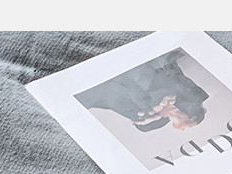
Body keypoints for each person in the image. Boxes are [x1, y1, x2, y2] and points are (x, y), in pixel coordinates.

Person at [76, 48, 209, 131]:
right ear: (191, 116)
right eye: (190, 125)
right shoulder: (177, 92)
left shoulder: (158, 121)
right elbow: (170, 68)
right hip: (132, 62)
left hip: (96, 87)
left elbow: (142, 126)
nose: (183, 130)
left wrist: (150, 113)